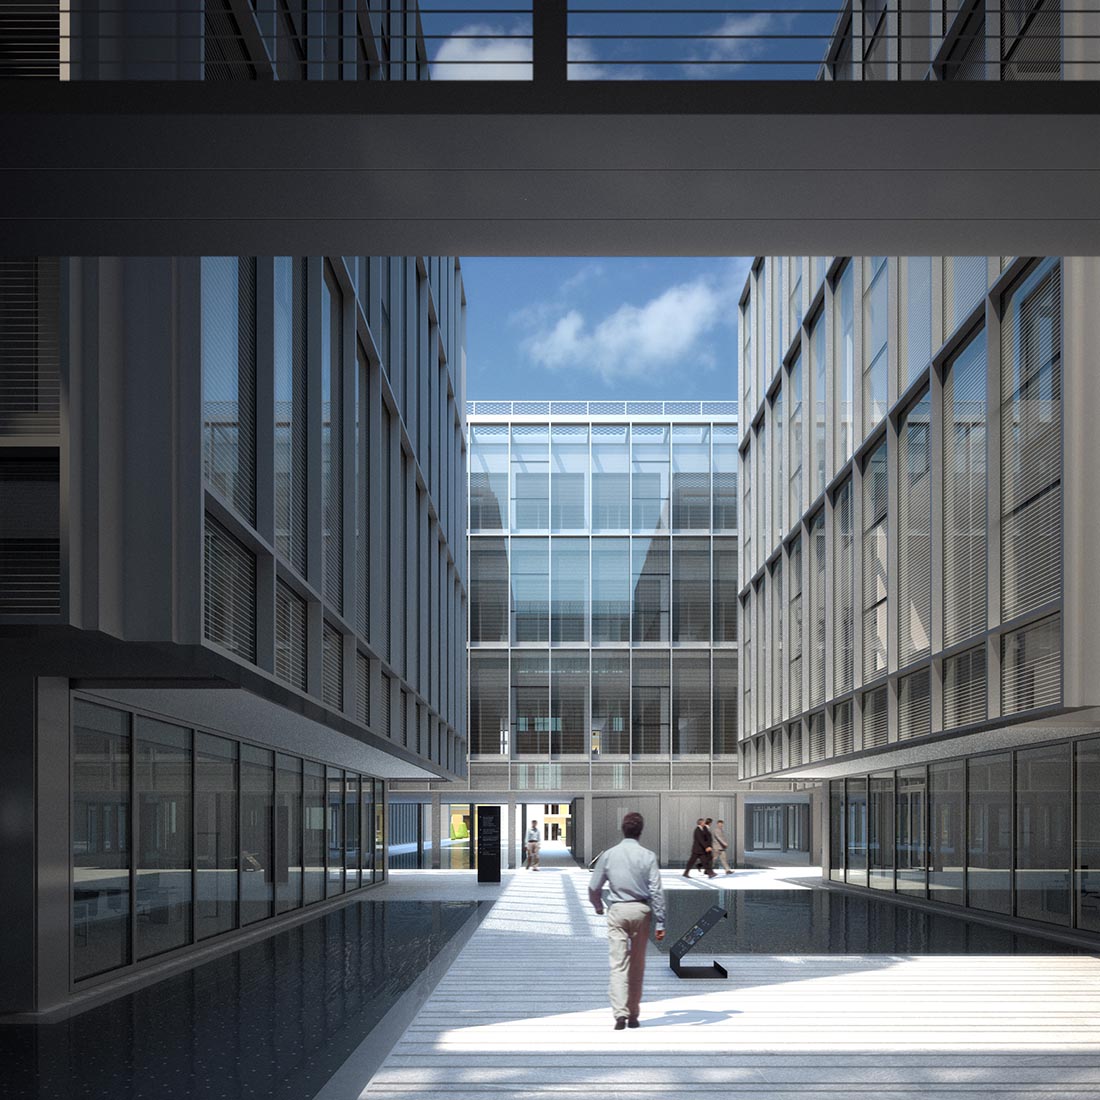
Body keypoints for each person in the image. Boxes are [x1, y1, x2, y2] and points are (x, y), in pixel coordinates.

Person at [588, 812, 666, 1030]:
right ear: (641, 831)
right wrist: (660, 921)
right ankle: (633, 1015)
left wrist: (598, 906)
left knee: (618, 964)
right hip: (641, 911)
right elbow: (656, 890)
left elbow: (594, 887)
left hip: (618, 911)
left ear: (622, 829)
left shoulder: (610, 855)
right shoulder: (648, 856)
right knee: (638, 965)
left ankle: (620, 1015)